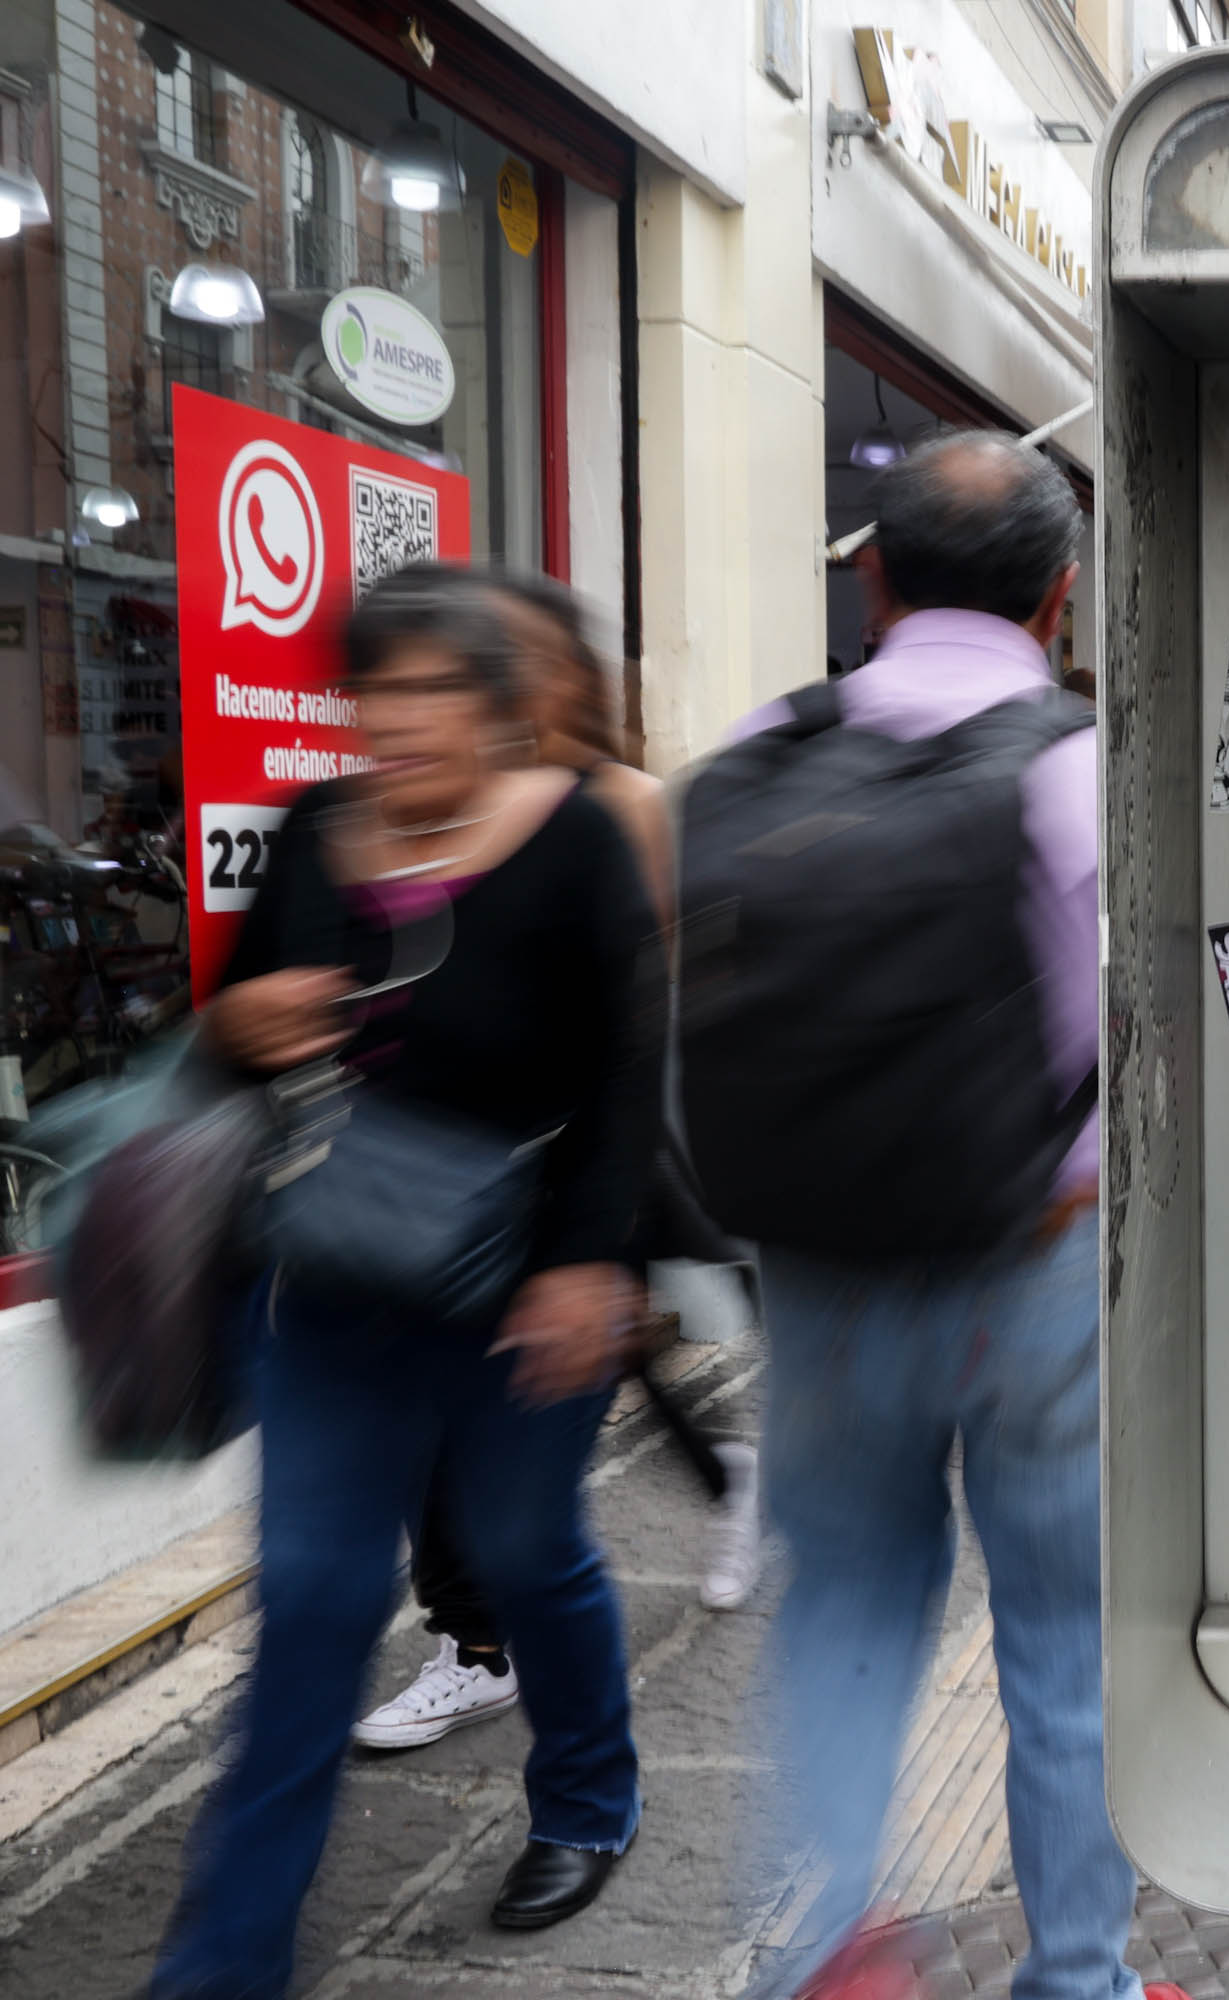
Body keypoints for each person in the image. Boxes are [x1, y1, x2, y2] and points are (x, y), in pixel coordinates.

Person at [152, 564, 657, 1997]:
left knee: (520, 1551)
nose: (405, 716)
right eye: (380, 686)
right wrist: (242, 1021)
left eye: (440, 687)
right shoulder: (315, 829)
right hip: (333, 1288)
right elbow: (224, 1040)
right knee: (312, 1600)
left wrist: (585, 1270)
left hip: (519, 1293)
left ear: (503, 708)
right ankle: (225, 1960)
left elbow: (629, 1078)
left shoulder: (575, 843)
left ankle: (586, 1803)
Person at [712, 433, 1125, 2000]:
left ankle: (821, 1948)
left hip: (816, 1271)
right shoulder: (1082, 763)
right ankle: (1077, 1978)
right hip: (1036, 1275)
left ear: (871, 576)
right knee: (1065, 1647)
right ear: (1060, 598)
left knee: (848, 1608)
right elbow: (1175, 1029)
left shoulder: (765, 742)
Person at [349, 574, 763, 1756]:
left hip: (586, 1154)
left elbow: (665, 979)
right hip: (453, 1182)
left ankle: (503, 1649)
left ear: (564, 674)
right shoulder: (437, 802)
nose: (487, 680)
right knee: (511, 1417)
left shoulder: (615, 802)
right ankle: (493, 1634)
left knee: (548, 1425)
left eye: (506, 658)